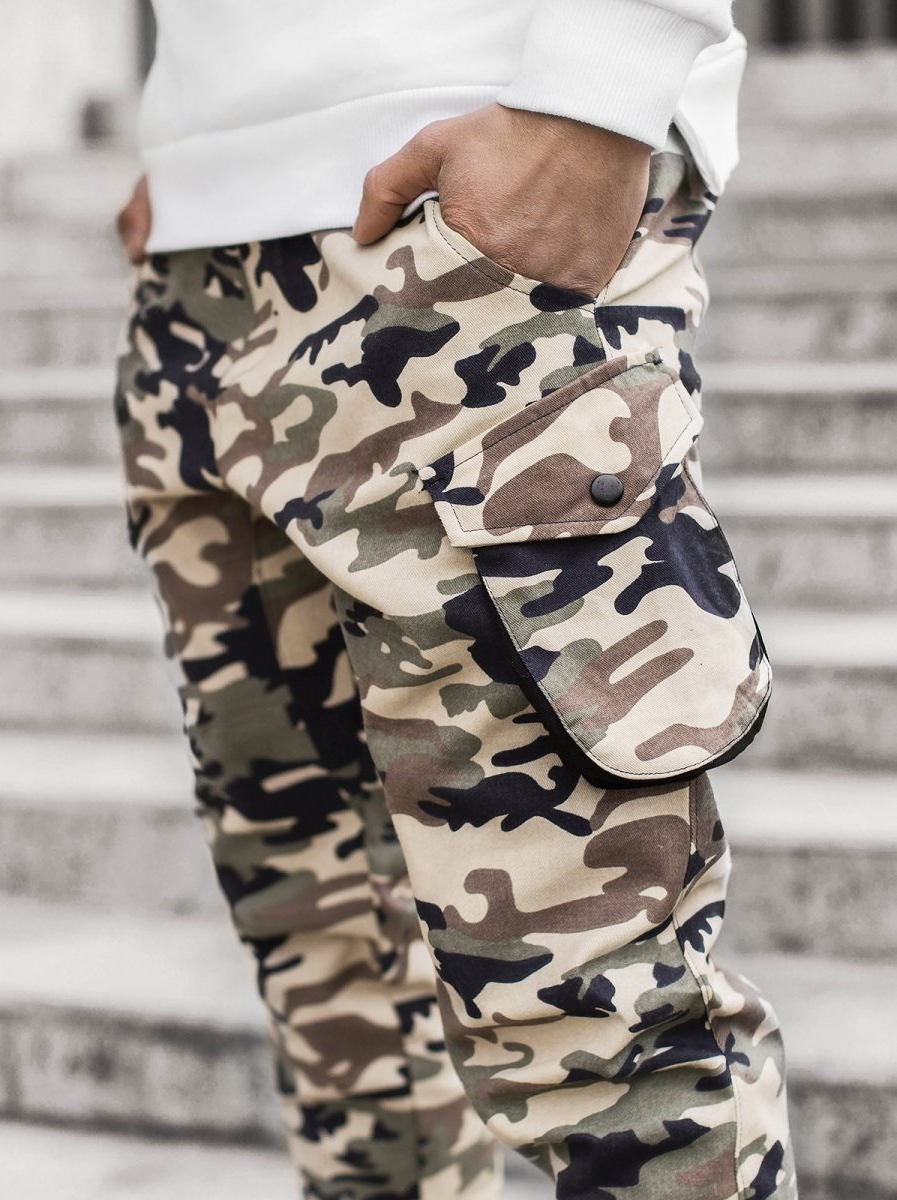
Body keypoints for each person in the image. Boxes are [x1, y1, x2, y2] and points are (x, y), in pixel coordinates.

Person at [114, 3, 797, 1197]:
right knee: (335, 989)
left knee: (604, 1036)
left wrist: (603, 83)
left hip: (464, 217)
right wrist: (192, 152)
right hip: (201, 264)